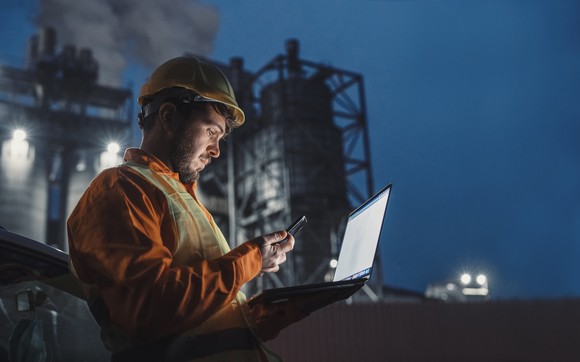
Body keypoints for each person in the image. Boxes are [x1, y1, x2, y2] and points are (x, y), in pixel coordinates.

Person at [67, 56, 309, 361]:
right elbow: (147, 308)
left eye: (220, 138)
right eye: (211, 131)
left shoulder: (180, 198)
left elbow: (196, 318)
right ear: (169, 116)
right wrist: (249, 260)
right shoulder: (122, 188)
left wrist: (259, 315)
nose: (217, 151)